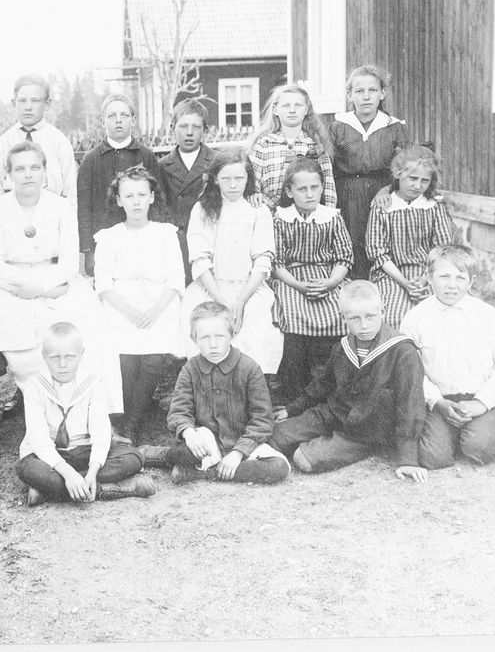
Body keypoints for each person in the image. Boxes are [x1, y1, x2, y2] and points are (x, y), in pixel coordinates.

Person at [0, 141, 122, 410]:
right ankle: (46, 409)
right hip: (10, 289)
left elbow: (69, 261)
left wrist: (44, 286)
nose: (28, 174)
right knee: (30, 344)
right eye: (20, 169)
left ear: (45, 172)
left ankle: (95, 408)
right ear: (8, 176)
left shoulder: (61, 207)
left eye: (35, 167)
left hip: (57, 280)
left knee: (93, 326)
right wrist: (36, 290)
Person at [268, 281, 428, 479]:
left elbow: (410, 405)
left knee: (303, 459)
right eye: (354, 318)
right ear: (343, 317)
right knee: (274, 436)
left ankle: (362, 447)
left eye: (370, 316)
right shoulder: (344, 346)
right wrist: (291, 409)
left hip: (367, 429)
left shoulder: (402, 351)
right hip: (335, 414)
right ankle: (319, 441)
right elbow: (323, 384)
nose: (364, 325)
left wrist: (408, 460)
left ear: (383, 311)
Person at [400, 245, 495, 469]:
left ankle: (475, 429)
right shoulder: (415, 318)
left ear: (471, 281)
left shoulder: (487, 315)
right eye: (444, 276)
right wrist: (437, 403)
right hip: (439, 401)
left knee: (481, 448)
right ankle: (446, 433)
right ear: (429, 277)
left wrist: (481, 403)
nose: (452, 285)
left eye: (460, 277)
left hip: (478, 398)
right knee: (433, 458)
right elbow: (411, 371)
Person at [145, 302, 289, 485]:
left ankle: (199, 474)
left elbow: (262, 420)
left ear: (232, 334)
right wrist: (189, 433)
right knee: (184, 451)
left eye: (220, 336)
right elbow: (179, 411)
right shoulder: (190, 369)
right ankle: (165, 456)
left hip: (242, 441)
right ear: (193, 338)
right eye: (205, 338)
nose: (213, 345)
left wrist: (238, 453)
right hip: (206, 442)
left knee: (277, 467)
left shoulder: (249, 368)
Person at [15, 322, 155, 505]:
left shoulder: (92, 384)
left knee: (134, 457)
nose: (63, 365)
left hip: (84, 452)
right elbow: (39, 441)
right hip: (51, 456)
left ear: (81, 354)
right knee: (29, 469)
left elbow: (100, 432)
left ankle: (53, 490)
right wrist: (67, 473)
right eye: (55, 358)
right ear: (44, 357)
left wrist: (93, 471)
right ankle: (110, 487)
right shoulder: (34, 386)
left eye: (70, 357)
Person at [93, 166, 185, 443]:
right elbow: (103, 285)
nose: (136, 201)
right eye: (129, 196)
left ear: (152, 198)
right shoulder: (108, 237)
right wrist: (130, 312)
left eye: (141, 195)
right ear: (118, 200)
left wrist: (155, 311)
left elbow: (176, 279)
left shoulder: (165, 233)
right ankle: (126, 419)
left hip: (159, 304)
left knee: (154, 358)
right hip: (121, 306)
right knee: (127, 362)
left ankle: (131, 425)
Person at [179, 148, 282, 374]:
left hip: (248, 290)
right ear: (215, 178)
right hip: (212, 289)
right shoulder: (203, 209)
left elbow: (263, 260)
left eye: (239, 178)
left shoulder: (258, 210)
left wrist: (242, 301)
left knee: (254, 333)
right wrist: (220, 302)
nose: (233, 185)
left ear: (248, 179)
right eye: (226, 179)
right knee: (208, 331)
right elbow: (200, 259)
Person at [271, 157, 354, 402]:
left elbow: (344, 258)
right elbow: (276, 263)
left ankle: (337, 388)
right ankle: (295, 392)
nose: (310, 194)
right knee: (293, 314)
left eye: (314, 188)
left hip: (326, 277)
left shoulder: (332, 217)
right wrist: (298, 285)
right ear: (289, 191)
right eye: (302, 189)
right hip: (291, 280)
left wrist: (330, 282)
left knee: (341, 312)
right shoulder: (280, 219)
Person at [329, 65, 410, 279]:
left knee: (378, 243)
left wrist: (388, 188)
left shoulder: (393, 127)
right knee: (351, 242)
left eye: (372, 90)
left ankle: (381, 290)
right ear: (349, 95)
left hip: (382, 193)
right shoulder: (339, 127)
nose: (366, 97)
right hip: (346, 194)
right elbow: (328, 165)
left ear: (382, 93)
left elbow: (404, 166)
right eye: (359, 91)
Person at [366, 145, 460, 328]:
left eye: (424, 181)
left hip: (429, 272)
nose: (418, 186)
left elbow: (442, 248)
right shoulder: (383, 207)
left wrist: (425, 279)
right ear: (398, 174)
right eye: (413, 178)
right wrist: (405, 283)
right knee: (393, 316)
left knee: (447, 314)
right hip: (392, 275)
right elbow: (377, 252)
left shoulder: (433, 207)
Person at [75, 93, 163, 276]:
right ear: (102, 121)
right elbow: (84, 208)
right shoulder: (91, 160)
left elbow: (158, 202)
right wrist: (88, 251)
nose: (118, 121)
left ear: (133, 119)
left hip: (142, 240)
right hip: (104, 243)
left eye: (124, 115)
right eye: (111, 116)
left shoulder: (146, 156)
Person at [247, 83, 336, 210]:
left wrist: (328, 215)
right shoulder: (264, 143)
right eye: (286, 105)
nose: (292, 110)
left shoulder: (316, 144)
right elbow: (253, 179)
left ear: (306, 110)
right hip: (271, 215)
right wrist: (255, 193)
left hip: (308, 217)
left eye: (298, 105)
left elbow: (328, 187)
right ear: (275, 110)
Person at [0, 74, 77, 201]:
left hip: (52, 213)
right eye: (22, 100)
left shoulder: (60, 142)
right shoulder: (3, 144)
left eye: (35, 100)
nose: (28, 107)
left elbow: (70, 193)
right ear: (14, 103)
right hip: (13, 215)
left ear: (47, 104)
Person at [157, 99, 216, 283]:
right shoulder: (162, 165)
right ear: (173, 127)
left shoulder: (216, 162)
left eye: (196, 127)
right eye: (183, 126)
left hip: (207, 244)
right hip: (176, 245)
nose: (189, 133)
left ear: (205, 130)